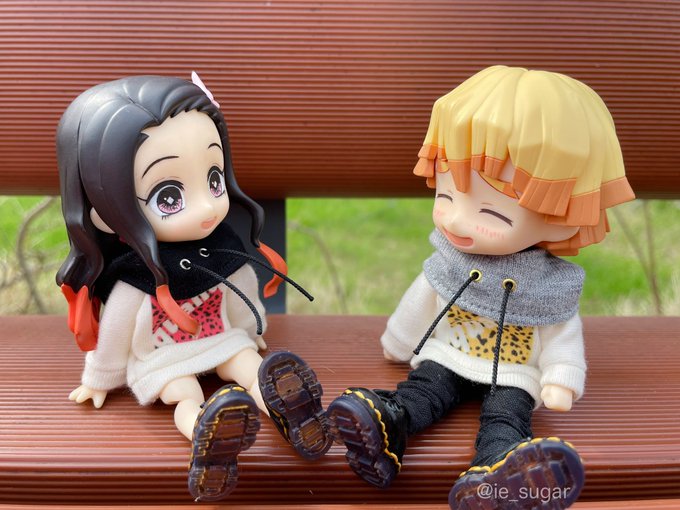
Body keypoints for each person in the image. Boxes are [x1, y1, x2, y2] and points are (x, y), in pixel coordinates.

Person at [327, 65, 635, 510]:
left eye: (492, 213)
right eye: (445, 196)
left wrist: (561, 380)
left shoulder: (549, 285)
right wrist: (399, 342)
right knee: (423, 391)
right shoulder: (449, 259)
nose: (455, 219)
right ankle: (388, 429)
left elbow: (561, 333)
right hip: (447, 353)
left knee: (506, 417)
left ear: (563, 215)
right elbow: (423, 298)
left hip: (513, 372)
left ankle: (495, 474)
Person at [56, 74, 331, 502]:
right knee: (184, 393)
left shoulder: (221, 247)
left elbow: (239, 289)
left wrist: (252, 330)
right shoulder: (137, 271)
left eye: (214, 179)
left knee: (250, 366)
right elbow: (116, 328)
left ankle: (293, 416)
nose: (207, 205)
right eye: (169, 196)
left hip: (220, 338)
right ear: (104, 212)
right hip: (162, 357)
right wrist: (100, 377)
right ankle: (207, 433)